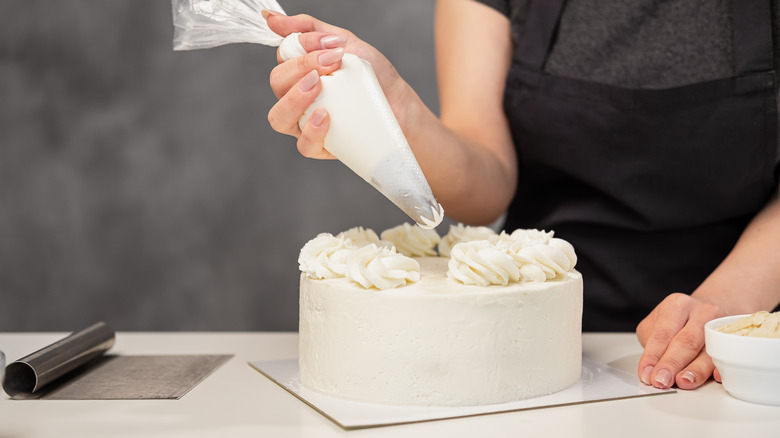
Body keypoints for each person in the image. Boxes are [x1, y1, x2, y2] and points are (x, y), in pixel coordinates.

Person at [262, 0, 780, 391]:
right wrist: (400, 115)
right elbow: (487, 186)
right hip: (545, 339)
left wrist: (735, 310)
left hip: (755, 335)